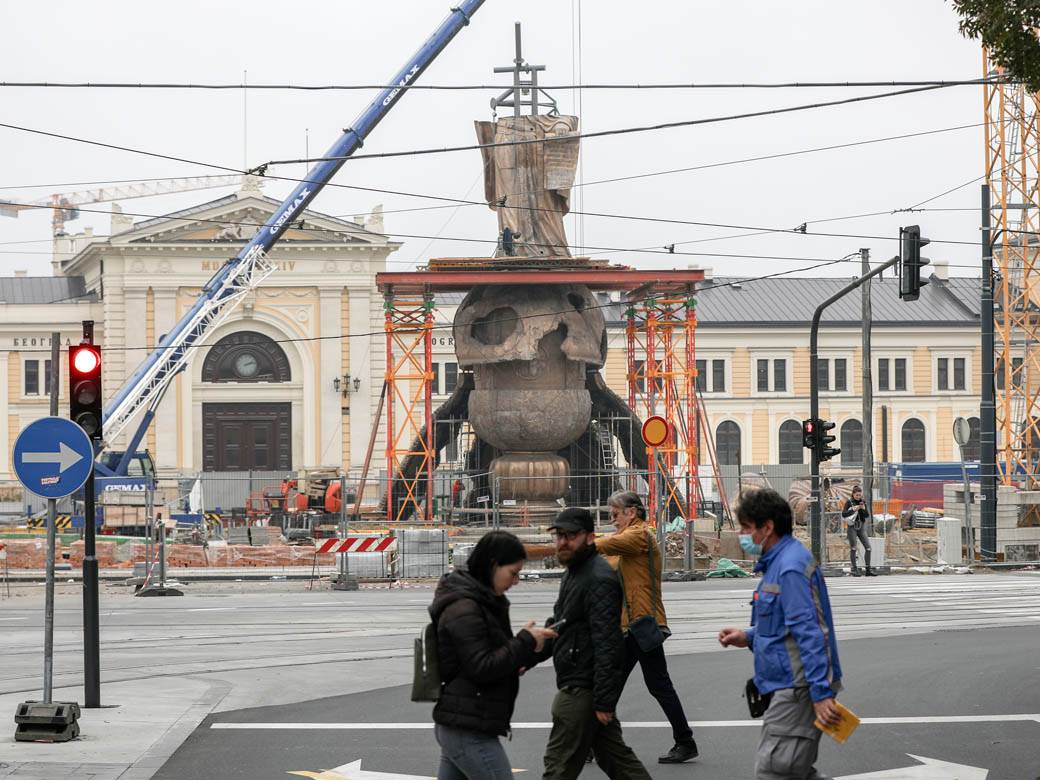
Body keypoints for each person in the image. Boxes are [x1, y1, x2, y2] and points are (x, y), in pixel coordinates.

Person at [718, 488, 844, 780]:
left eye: (747, 528)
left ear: (767, 527)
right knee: (792, 770)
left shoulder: (789, 568)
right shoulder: (779, 563)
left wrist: (821, 693)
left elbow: (812, 633)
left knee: (776, 770)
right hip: (786, 684)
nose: (742, 535)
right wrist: (747, 636)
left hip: (797, 687)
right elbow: (782, 624)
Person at [429, 530, 557, 779]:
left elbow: (499, 656)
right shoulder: (465, 607)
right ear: (493, 565)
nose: (516, 580)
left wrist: (532, 647)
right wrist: (524, 641)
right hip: (468, 728)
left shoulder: (484, 601)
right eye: (513, 573)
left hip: (463, 722)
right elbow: (482, 666)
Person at [537, 507, 652, 780]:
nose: (563, 542)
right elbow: (560, 624)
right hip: (584, 684)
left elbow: (608, 643)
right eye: (559, 536)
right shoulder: (575, 572)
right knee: (618, 761)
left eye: (571, 536)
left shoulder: (597, 577)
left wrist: (603, 701)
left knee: (558, 766)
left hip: (581, 688)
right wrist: (525, 654)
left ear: (589, 537)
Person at [593, 491, 698, 764]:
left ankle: (685, 741)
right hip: (630, 626)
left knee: (649, 685)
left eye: (615, 514)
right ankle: (684, 741)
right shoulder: (626, 541)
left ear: (632, 512)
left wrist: (583, 543)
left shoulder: (639, 536)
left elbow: (607, 546)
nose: (612, 520)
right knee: (621, 684)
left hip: (642, 624)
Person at [841, 486, 875, 577]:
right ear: (853, 494)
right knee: (853, 548)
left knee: (868, 547)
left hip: (861, 527)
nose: (858, 496)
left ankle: (868, 569)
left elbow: (867, 515)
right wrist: (853, 509)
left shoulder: (862, 502)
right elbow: (844, 514)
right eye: (857, 495)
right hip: (852, 527)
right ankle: (854, 569)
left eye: (860, 495)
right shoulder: (849, 502)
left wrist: (863, 508)